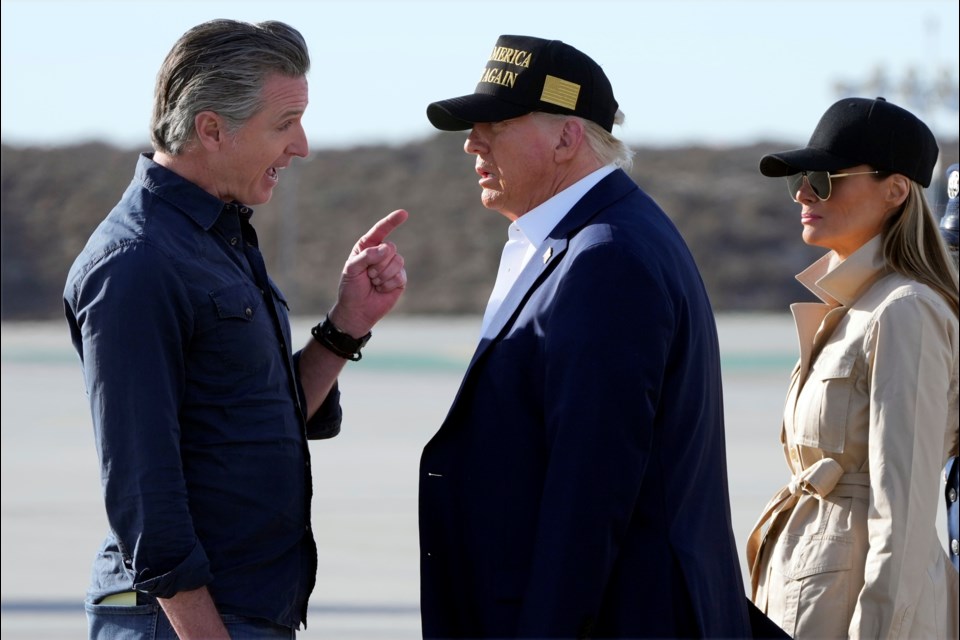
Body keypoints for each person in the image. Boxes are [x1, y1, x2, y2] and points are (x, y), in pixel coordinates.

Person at [63, 19, 408, 639]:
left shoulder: (215, 238)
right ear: (212, 129)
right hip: (184, 621)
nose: (300, 146)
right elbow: (144, 489)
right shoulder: (137, 263)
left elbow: (256, 419)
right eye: (284, 124)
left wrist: (346, 325)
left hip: (243, 612)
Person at [418, 34, 752, 639]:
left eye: (494, 123)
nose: (472, 142)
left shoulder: (606, 257)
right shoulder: (582, 240)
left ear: (567, 137)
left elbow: (590, 492)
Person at [746, 97, 960, 639]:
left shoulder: (905, 310)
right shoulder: (852, 311)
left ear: (895, 191)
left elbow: (904, 519)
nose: (802, 192)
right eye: (799, 178)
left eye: (823, 178)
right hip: (806, 599)